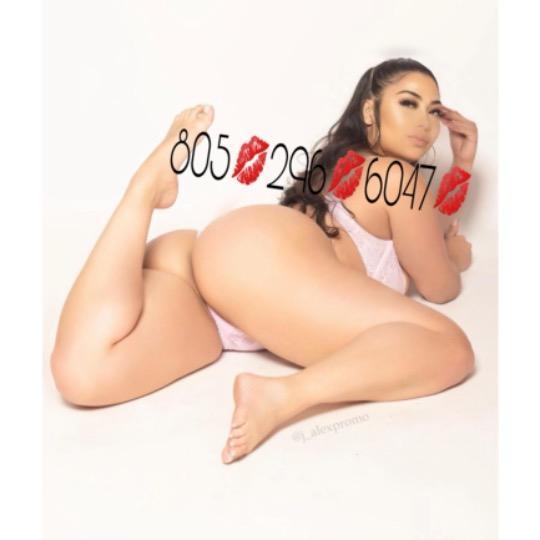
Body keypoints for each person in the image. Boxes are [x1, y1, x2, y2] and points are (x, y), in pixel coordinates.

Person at [50, 57, 479, 465]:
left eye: (434, 111)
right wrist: (455, 260)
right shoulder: (398, 178)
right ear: (370, 110)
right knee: (449, 347)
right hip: (256, 262)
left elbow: (429, 227)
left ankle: (142, 193)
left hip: (213, 283)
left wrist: (461, 165)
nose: (425, 122)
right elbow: (439, 285)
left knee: (83, 374)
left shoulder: (343, 166)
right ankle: (284, 395)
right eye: (409, 103)